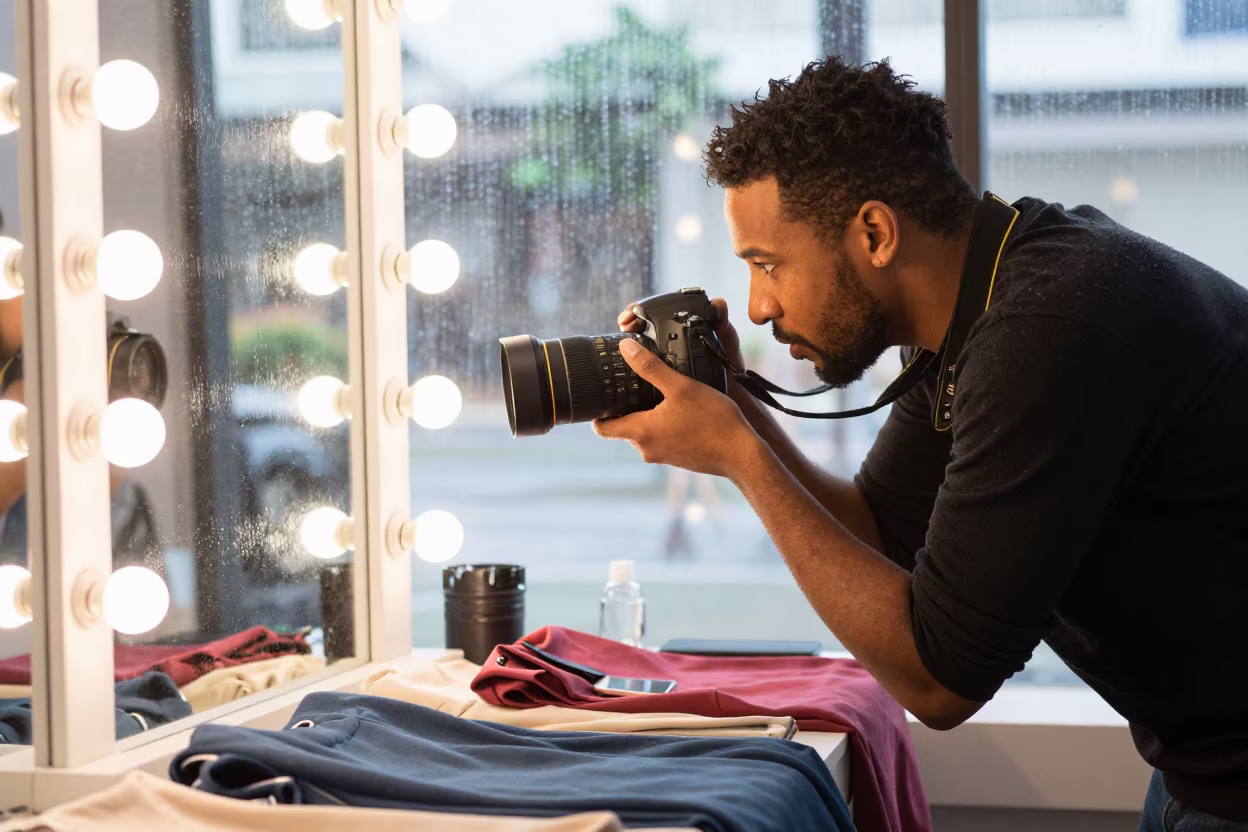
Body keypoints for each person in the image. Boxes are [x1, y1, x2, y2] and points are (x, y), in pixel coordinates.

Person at [596, 57, 1248, 829]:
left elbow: (940, 682)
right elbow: (883, 530)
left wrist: (738, 457)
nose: (759, 305)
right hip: (1198, 771)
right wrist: (735, 400)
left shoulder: (1050, 331)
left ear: (874, 232)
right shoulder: (987, 296)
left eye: (768, 263)